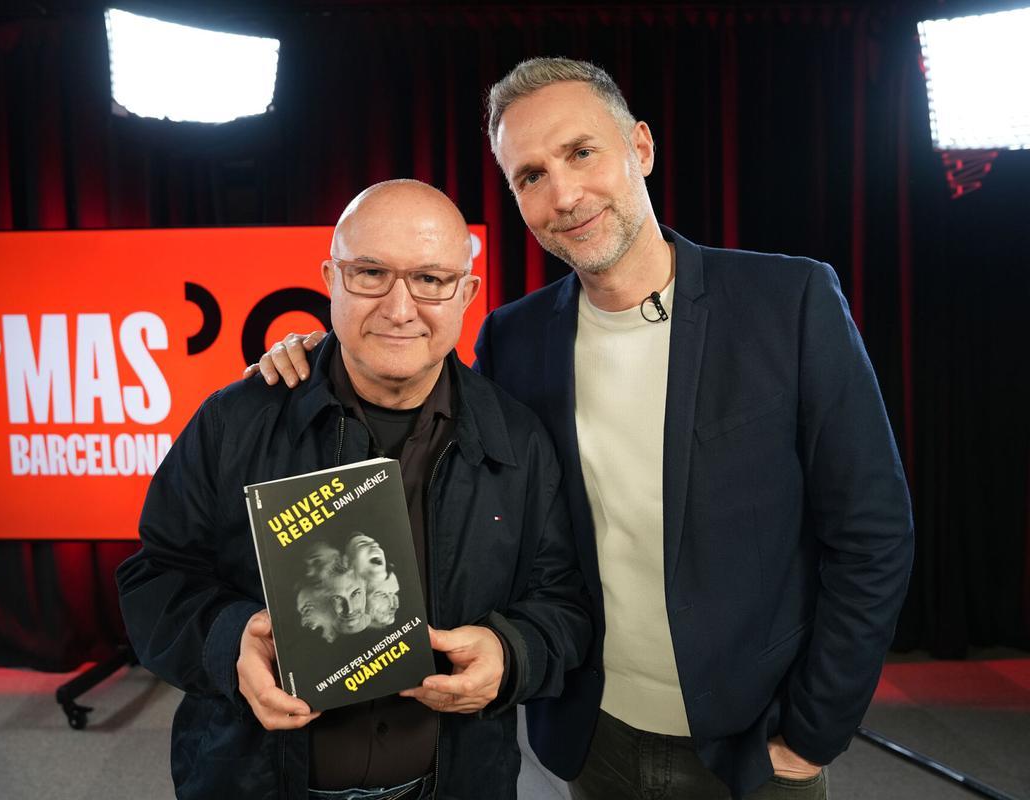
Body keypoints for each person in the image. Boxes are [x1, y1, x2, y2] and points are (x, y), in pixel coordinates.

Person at [247, 58, 914, 800]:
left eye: (580, 153)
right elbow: (412, 400)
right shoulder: (514, 338)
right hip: (590, 741)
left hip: (755, 747)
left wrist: (814, 730)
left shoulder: (789, 301)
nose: (562, 195)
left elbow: (873, 533)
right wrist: (323, 350)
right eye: (529, 176)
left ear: (642, 148)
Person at [117, 178, 590, 800]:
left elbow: (565, 600)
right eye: (370, 273)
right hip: (255, 779)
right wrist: (231, 643)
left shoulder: (520, 440)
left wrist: (513, 651)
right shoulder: (236, 420)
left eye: (430, 279)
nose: (400, 308)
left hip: (454, 783)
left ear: (467, 293)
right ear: (330, 279)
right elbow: (156, 576)